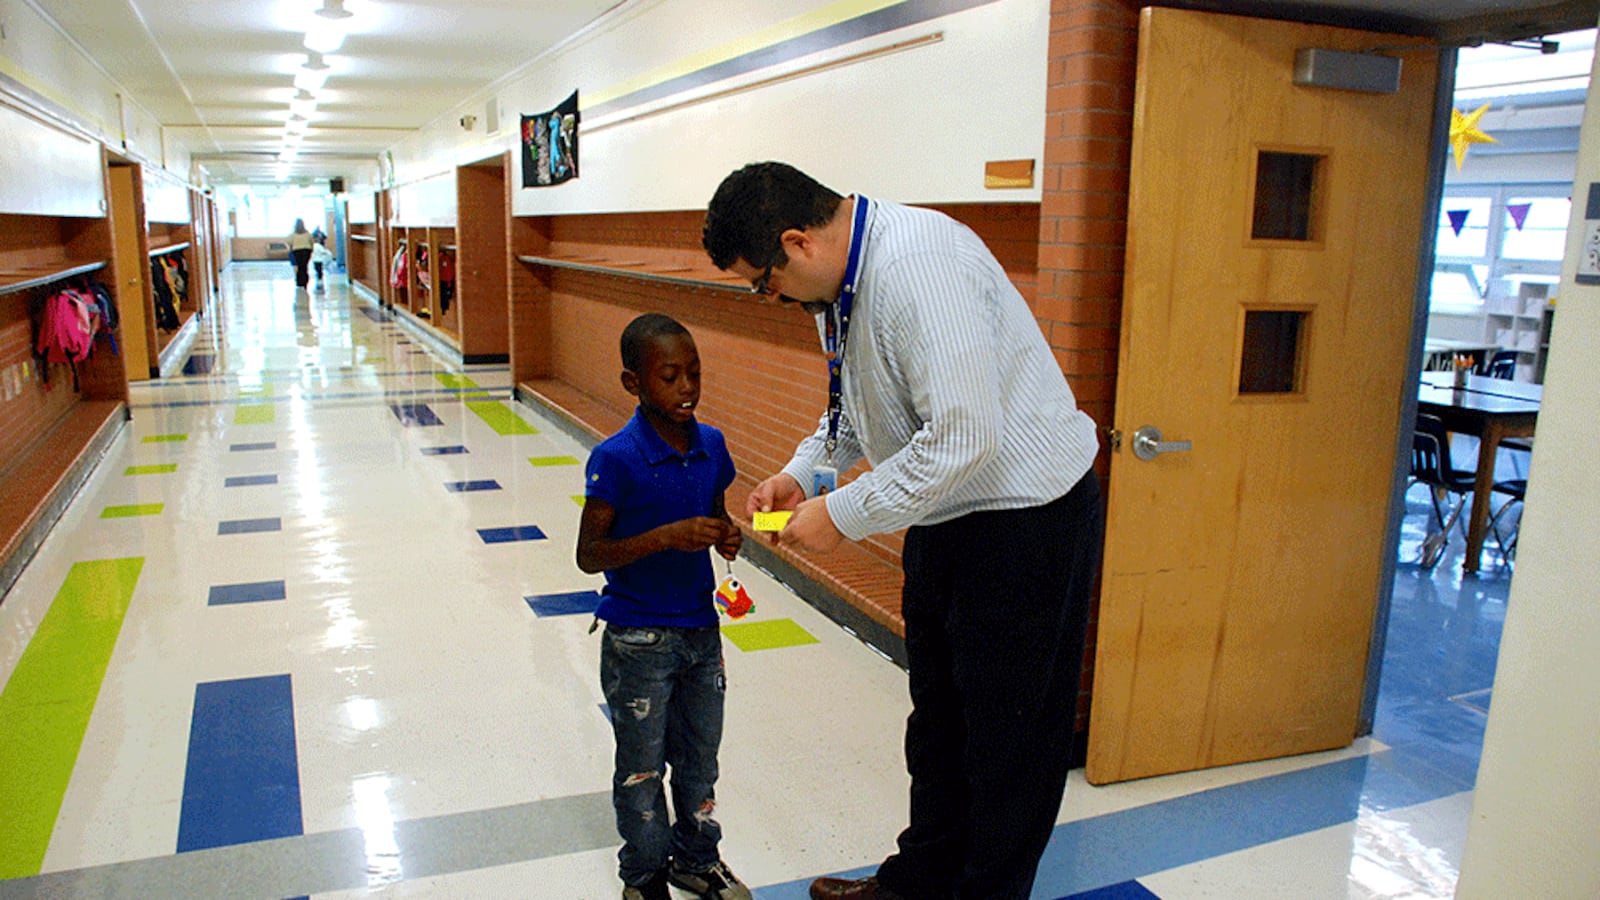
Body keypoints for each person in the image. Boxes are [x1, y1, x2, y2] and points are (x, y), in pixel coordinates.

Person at [703, 162, 1104, 900]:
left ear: (797, 243)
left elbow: (962, 437)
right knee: (941, 727)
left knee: (1008, 742)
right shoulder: (847, 284)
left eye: (762, 281)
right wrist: (807, 472)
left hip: (1026, 520)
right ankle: (916, 886)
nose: (769, 297)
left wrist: (844, 516)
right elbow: (864, 400)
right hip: (951, 514)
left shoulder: (921, 268)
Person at [575, 313, 752, 900]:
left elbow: (717, 512)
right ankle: (646, 874)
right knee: (642, 769)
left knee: (700, 760)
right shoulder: (616, 457)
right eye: (670, 377)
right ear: (634, 384)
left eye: (695, 374)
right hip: (638, 640)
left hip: (701, 634)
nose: (687, 389)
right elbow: (589, 554)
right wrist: (664, 537)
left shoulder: (712, 446)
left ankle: (697, 859)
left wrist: (726, 535)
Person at [287, 219, 314, 288]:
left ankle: (299, 281)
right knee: (304, 266)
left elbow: (289, 243)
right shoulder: (307, 233)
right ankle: (305, 280)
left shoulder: (293, 234)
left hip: (297, 251)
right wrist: (311, 250)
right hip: (306, 250)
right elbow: (311, 242)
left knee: (299, 266)